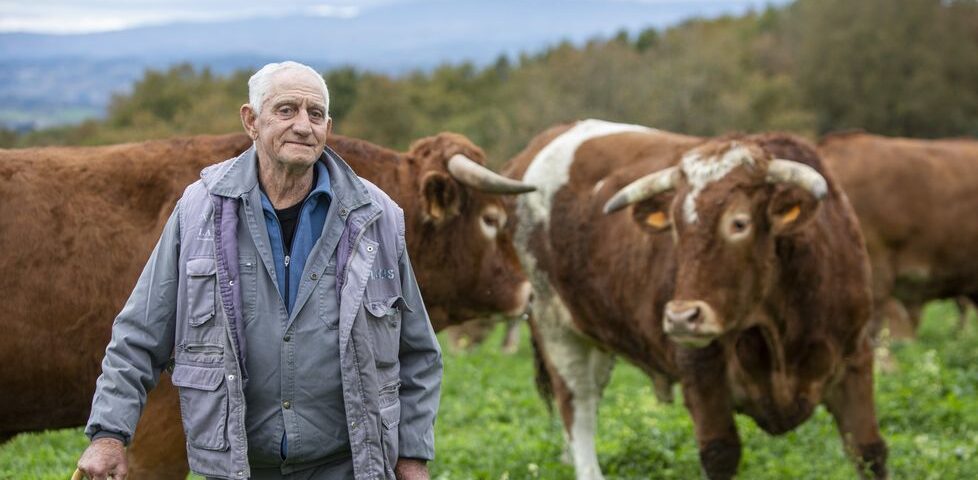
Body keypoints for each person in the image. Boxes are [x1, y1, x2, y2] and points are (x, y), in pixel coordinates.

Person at [76, 61, 443, 480]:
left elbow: (419, 353)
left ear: (328, 126)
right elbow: (138, 335)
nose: (304, 126)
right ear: (251, 120)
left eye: (315, 114)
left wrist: (412, 457)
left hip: (346, 465)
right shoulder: (199, 210)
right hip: (238, 467)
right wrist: (108, 435)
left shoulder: (375, 216)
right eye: (286, 110)